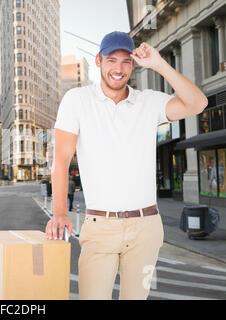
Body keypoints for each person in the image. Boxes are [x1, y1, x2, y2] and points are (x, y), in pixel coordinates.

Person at [45, 31, 208, 300]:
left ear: (133, 65)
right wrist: (59, 212)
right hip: (100, 227)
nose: (118, 69)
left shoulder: (148, 101)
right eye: (111, 60)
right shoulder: (77, 100)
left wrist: (158, 63)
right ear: (98, 61)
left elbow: (198, 103)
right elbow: (61, 160)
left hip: (147, 230)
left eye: (125, 62)